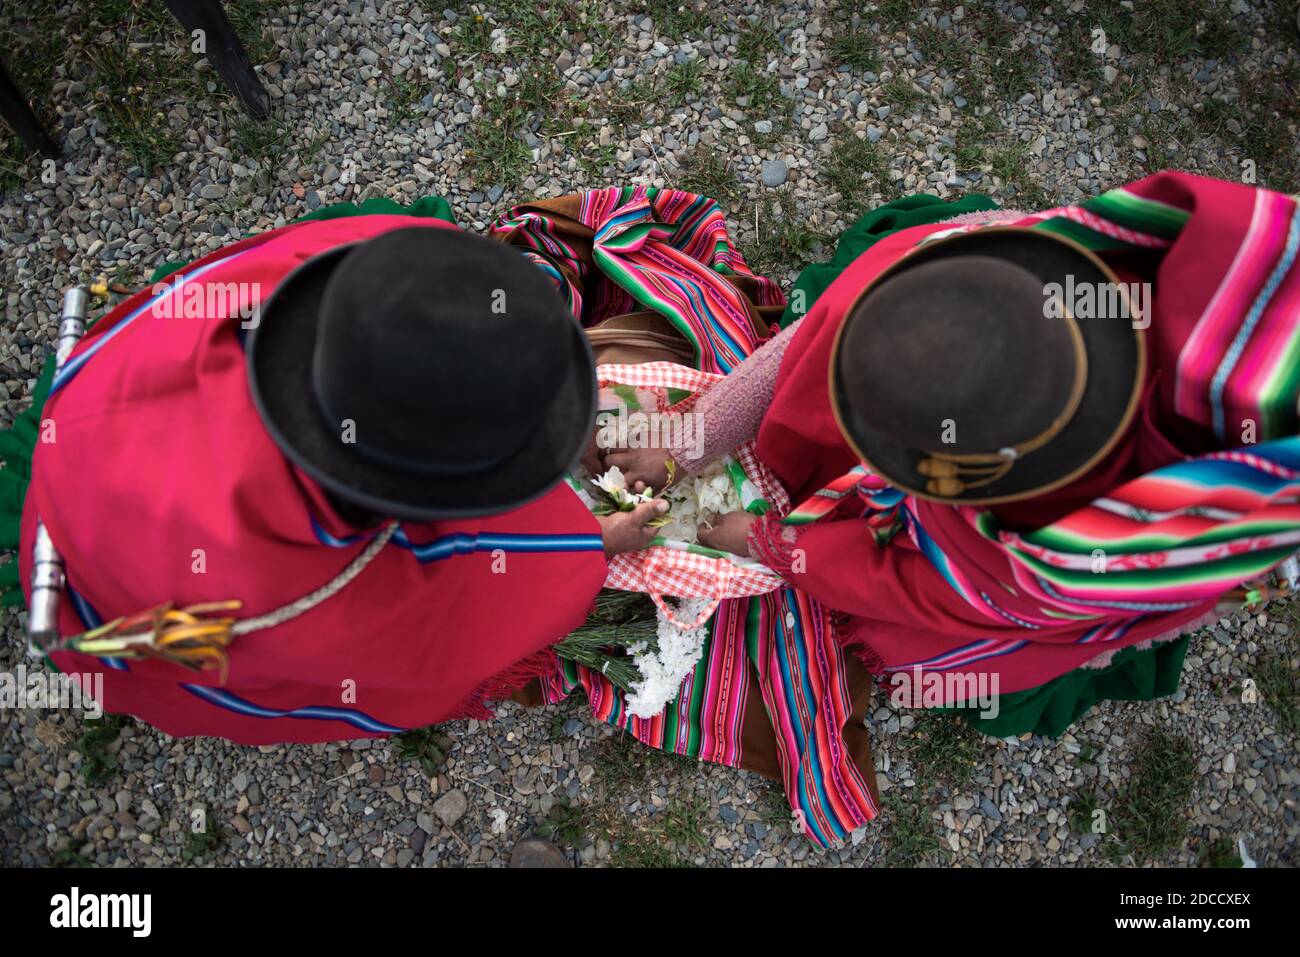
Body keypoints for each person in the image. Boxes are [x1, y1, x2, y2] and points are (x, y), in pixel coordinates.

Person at [612, 171, 1300, 737]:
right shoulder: (987, 266)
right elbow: (806, 346)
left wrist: (773, 544)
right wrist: (690, 437)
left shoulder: (1068, 551)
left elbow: (906, 583)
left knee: (929, 658)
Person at [13, 212, 666, 744]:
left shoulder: (334, 274)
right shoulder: (327, 593)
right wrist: (596, 541)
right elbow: (500, 588)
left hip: (82, 451)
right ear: (416, 494)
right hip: (150, 609)